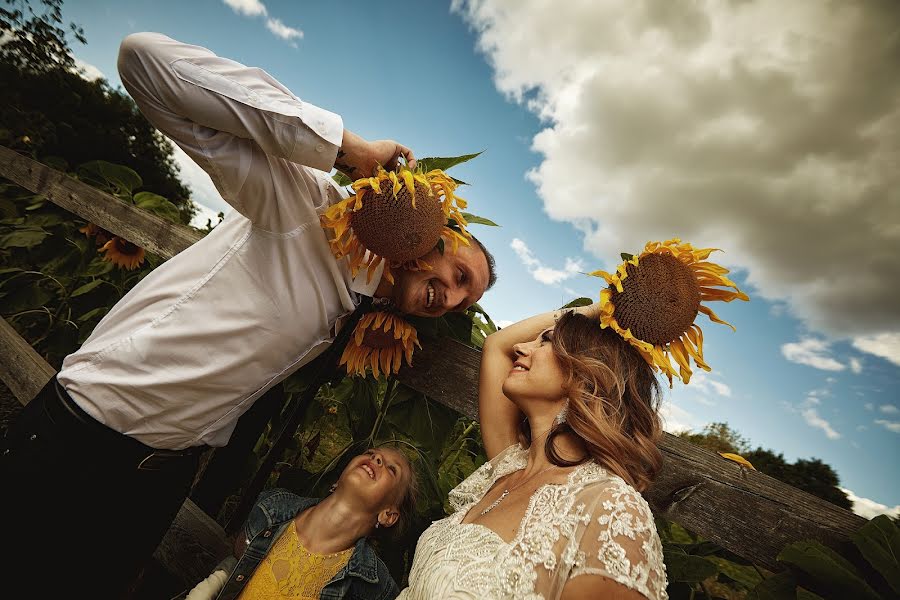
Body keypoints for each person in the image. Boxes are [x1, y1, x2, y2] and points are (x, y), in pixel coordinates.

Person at [0, 32, 494, 598]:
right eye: (459, 275)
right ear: (430, 229)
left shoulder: (361, 305)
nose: (452, 299)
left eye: (466, 300)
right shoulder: (305, 207)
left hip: (163, 478)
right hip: (87, 437)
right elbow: (145, 62)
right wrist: (344, 148)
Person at [398, 240, 748, 599]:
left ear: (586, 373)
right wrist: (609, 307)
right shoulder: (506, 467)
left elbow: (501, 346)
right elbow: (497, 345)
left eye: (546, 342)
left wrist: (614, 316)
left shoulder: (608, 510)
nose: (522, 347)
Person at [183, 447, 417, 600]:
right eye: (372, 453)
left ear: (388, 515)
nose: (377, 459)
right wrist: (211, 585)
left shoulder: (372, 584)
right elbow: (238, 560)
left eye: (391, 469)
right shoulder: (273, 508)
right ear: (337, 480)